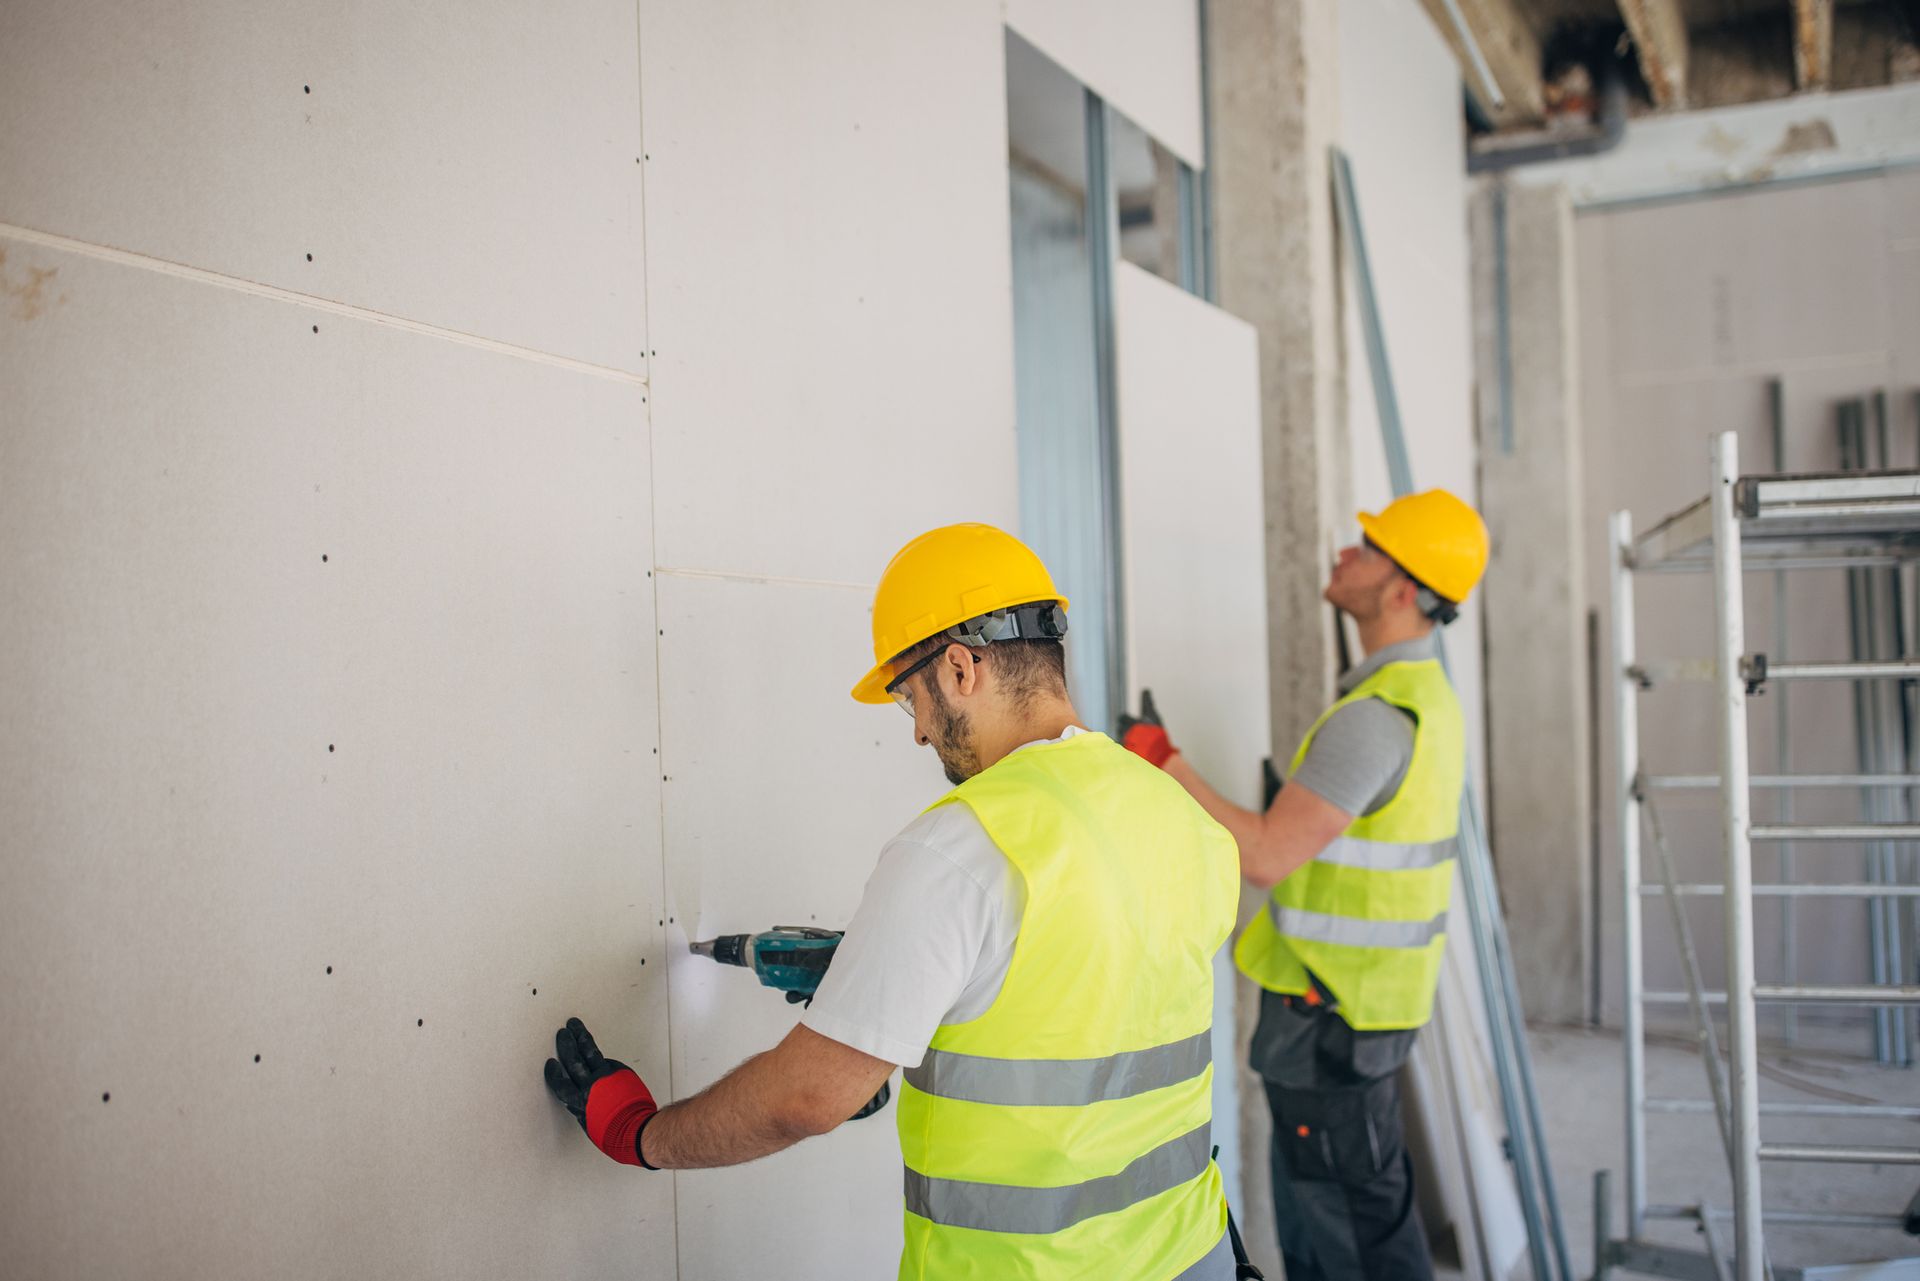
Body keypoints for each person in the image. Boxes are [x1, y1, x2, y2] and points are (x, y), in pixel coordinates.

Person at [543, 522, 1248, 1280]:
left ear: (958, 667)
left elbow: (803, 1099)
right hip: (1191, 1251)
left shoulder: (962, 846)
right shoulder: (1180, 816)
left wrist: (638, 1134)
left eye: (908, 695)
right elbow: (1089, 998)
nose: (915, 731)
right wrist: (905, 1002)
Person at [1119, 490, 1489, 1281]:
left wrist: (1164, 761)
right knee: (1359, 1221)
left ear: (1400, 590)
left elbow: (1264, 854)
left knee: (1348, 1241)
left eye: (1368, 548)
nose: (1342, 555)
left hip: (1332, 1022)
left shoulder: (1377, 717)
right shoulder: (1422, 698)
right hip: (1357, 1014)